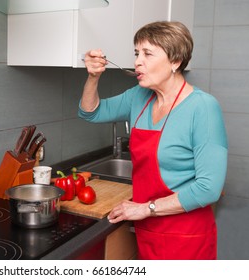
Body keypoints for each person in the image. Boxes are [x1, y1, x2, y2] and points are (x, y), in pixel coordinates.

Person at [78, 21, 228, 260]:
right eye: (137, 53)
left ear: (175, 61)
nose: (138, 61)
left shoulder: (203, 107)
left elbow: (209, 189)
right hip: (147, 229)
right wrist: (93, 77)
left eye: (148, 53)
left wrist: (146, 208)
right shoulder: (139, 96)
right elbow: (91, 112)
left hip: (186, 236)